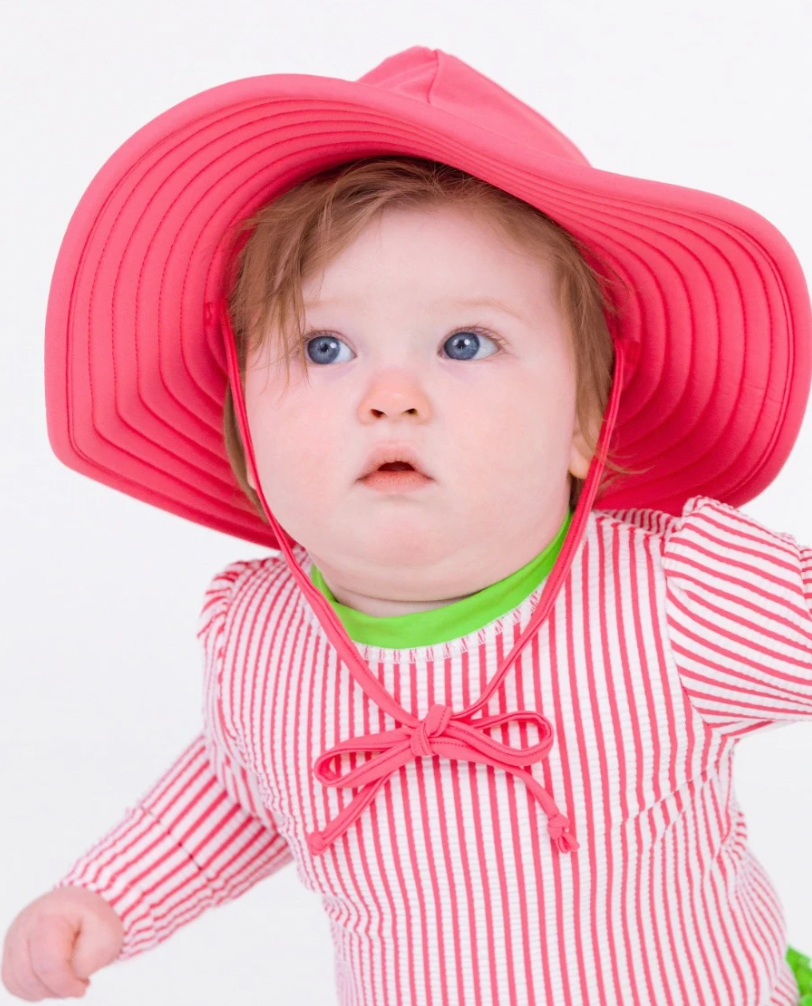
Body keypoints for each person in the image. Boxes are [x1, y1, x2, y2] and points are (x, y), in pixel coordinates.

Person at [3, 45, 812, 1006]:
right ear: (244, 422)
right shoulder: (263, 641)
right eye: (325, 345)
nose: (392, 397)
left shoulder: (675, 598)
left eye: (465, 343)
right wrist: (107, 895)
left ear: (587, 419)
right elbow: (236, 793)